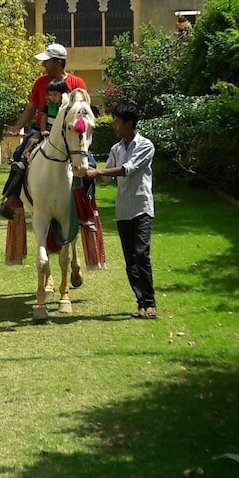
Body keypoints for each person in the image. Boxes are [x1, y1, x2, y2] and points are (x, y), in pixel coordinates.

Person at [0, 43, 86, 219]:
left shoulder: (77, 83)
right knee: (19, 155)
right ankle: (10, 202)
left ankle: (87, 206)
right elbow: (32, 108)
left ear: (57, 62)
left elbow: (82, 111)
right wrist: (17, 127)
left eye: (46, 61)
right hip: (41, 130)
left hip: (68, 133)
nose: (43, 65)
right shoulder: (40, 82)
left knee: (88, 162)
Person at [84, 100, 157, 319]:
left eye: (117, 122)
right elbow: (107, 177)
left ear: (129, 123)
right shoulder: (116, 148)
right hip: (123, 210)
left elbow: (128, 169)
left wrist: (98, 174)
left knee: (142, 254)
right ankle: (140, 303)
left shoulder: (145, 145)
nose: (114, 126)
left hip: (142, 207)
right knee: (130, 259)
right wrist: (86, 169)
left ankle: (150, 303)